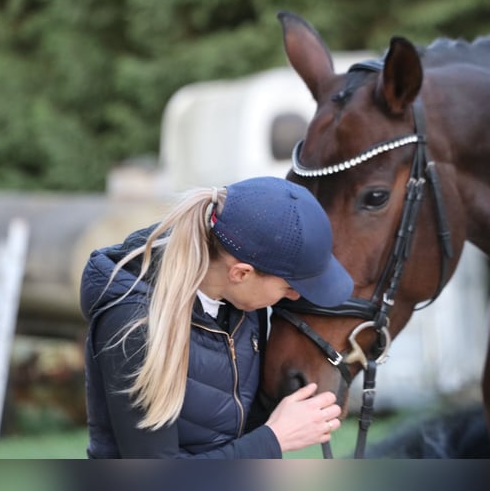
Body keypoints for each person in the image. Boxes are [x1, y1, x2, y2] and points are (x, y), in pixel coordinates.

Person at [80, 176, 354, 458]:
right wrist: (274, 438)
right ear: (241, 273)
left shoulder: (243, 304)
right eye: (289, 287)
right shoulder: (135, 323)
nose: (295, 297)